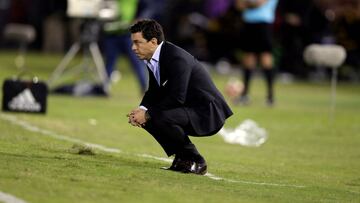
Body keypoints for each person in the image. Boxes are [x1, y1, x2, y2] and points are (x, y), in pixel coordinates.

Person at [126, 19, 233, 175]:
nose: (133, 48)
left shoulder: (176, 58)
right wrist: (141, 109)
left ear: (153, 41)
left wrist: (148, 113)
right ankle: (182, 158)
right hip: (190, 107)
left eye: (137, 42)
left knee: (158, 116)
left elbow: (177, 97)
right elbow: (154, 91)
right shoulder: (155, 57)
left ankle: (197, 160)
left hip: (207, 112)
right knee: (150, 117)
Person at [235, 0, 278, 106]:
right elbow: (239, 5)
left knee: (265, 57)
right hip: (248, 24)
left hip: (263, 24)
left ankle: (270, 96)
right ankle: (244, 95)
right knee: (248, 58)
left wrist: (247, 4)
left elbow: (259, 3)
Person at [103, 0, 147, 93]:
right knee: (109, 62)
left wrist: (139, 19)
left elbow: (145, 7)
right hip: (112, 33)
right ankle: (104, 88)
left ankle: (145, 88)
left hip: (128, 34)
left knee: (137, 61)